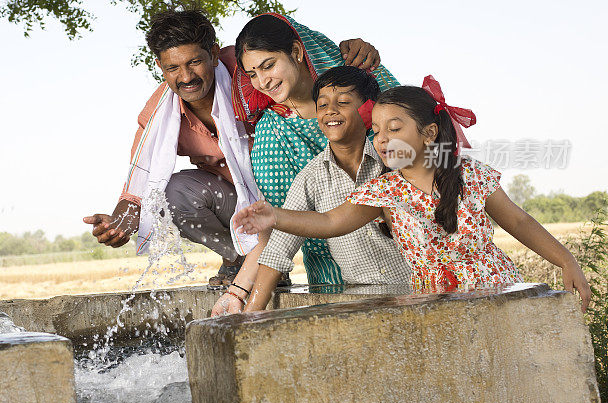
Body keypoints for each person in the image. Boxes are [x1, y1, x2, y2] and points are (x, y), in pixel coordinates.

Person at [235, 77, 592, 312]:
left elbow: (518, 220)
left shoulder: (471, 174)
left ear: (429, 133)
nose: (382, 139)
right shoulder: (386, 190)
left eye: (394, 128)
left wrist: (566, 260)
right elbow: (330, 221)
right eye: (375, 131)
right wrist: (276, 216)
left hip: (495, 292)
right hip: (433, 302)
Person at [83, 9, 381, 286]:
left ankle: (262, 265)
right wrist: (119, 221)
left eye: (194, 62)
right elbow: (138, 186)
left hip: (289, 183)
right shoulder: (158, 115)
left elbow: (291, 49)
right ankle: (242, 260)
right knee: (173, 192)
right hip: (242, 206)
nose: (186, 77)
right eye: (173, 67)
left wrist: (346, 52)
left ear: (213, 54)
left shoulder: (245, 72)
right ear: (160, 67)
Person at [211, 66, 411, 316]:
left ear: (368, 110)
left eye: (344, 102)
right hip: (364, 304)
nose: (330, 111)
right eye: (322, 104)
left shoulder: (395, 161)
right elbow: (278, 250)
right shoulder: (311, 178)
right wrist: (250, 315)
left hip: (418, 291)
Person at [228, 13, 401, 287]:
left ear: (296, 51)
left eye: (269, 65)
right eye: (253, 74)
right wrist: (239, 292)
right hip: (334, 279)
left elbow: (415, 143)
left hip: (408, 256)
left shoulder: (361, 78)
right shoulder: (271, 135)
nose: (263, 82)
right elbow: (283, 222)